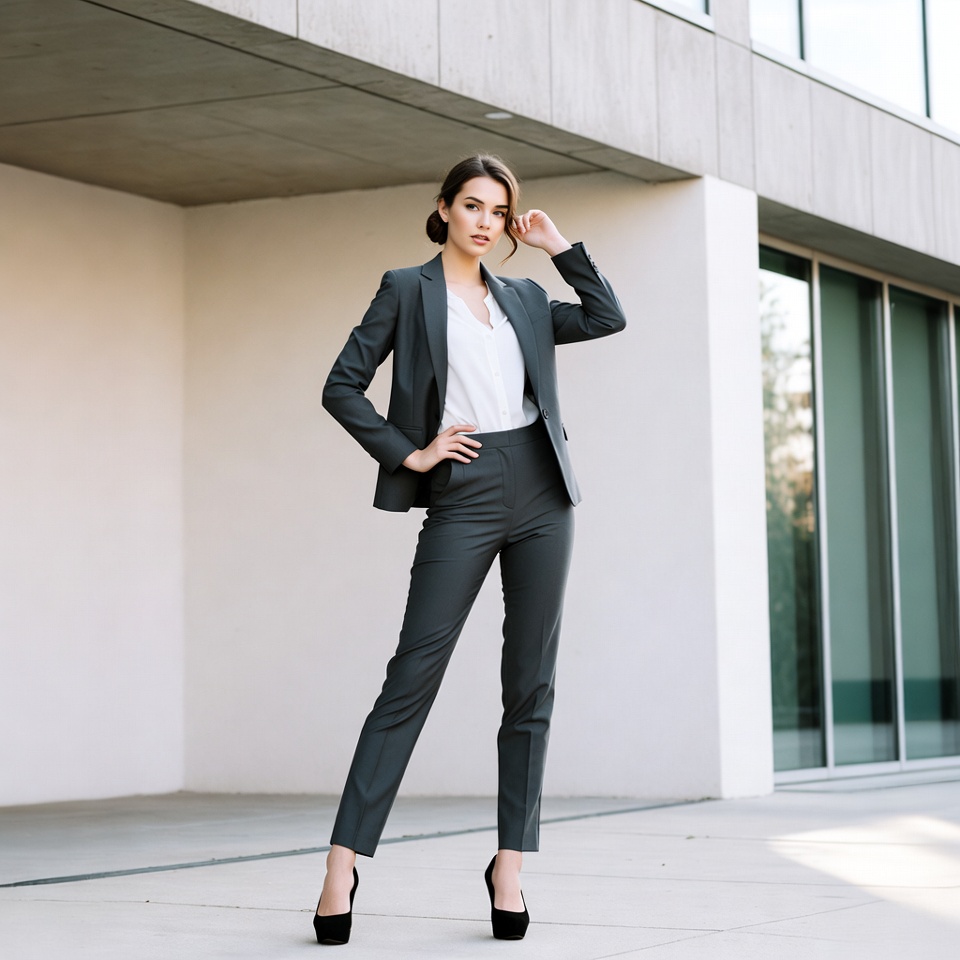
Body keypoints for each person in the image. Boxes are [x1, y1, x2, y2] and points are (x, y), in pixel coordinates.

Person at [314, 154, 626, 945]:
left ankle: (509, 867)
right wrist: (409, 452)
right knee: (411, 677)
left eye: (498, 209)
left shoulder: (525, 297)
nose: (486, 221)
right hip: (465, 485)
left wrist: (559, 247)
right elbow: (341, 385)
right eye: (473, 205)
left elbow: (605, 316)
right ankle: (342, 866)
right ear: (445, 208)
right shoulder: (405, 289)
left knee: (531, 683)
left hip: (544, 489)